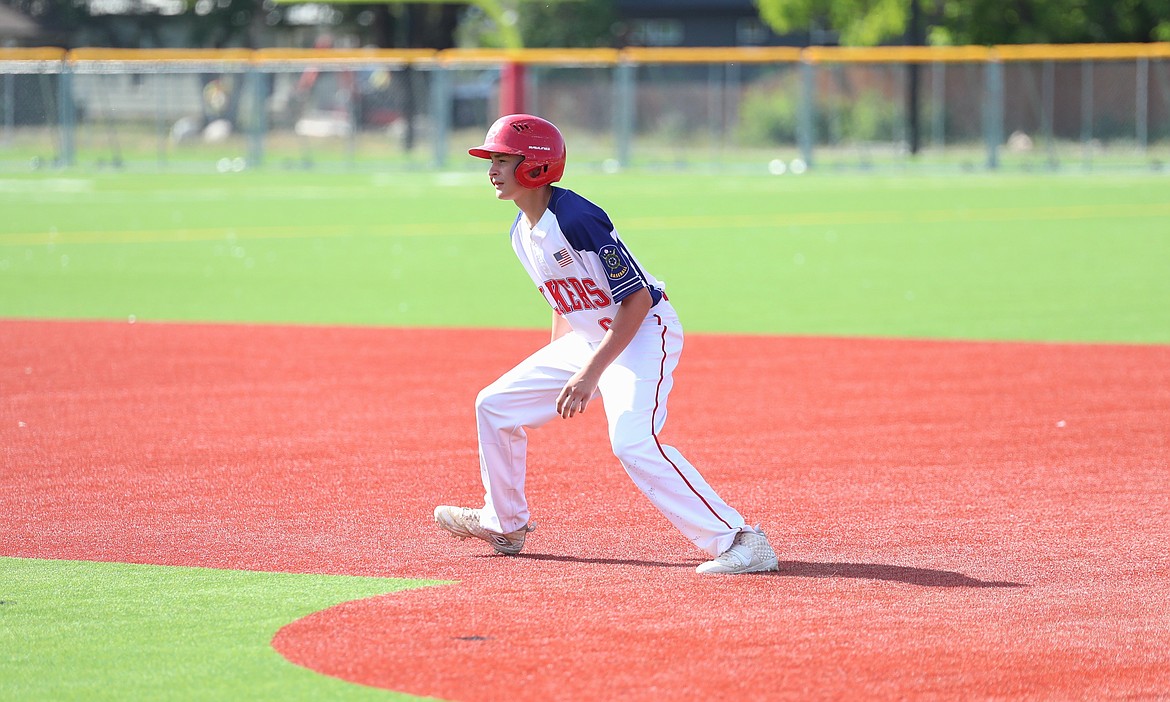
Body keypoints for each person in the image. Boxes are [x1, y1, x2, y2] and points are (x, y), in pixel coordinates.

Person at [434, 114, 778, 574]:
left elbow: (636, 301)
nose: (491, 170)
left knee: (631, 442)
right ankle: (506, 523)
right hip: (592, 337)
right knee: (494, 404)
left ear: (535, 165)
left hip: (644, 332)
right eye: (490, 160)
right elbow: (564, 299)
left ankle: (739, 539)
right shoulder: (521, 232)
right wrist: (562, 369)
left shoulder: (577, 218)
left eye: (502, 159)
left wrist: (589, 374)